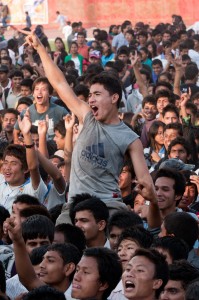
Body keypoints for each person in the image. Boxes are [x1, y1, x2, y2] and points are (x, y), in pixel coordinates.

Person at [23, 30, 155, 208]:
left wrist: (149, 197)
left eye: (97, 94)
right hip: (75, 207)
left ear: (114, 98)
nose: (91, 99)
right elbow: (59, 83)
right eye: (90, 94)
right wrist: (39, 48)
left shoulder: (130, 139)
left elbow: (146, 182)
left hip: (108, 207)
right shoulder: (87, 115)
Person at [13, 77, 68, 141]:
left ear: (50, 94)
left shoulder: (60, 111)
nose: (39, 92)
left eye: (43, 89)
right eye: (37, 89)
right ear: (33, 94)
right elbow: (15, 132)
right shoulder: (26, 113)